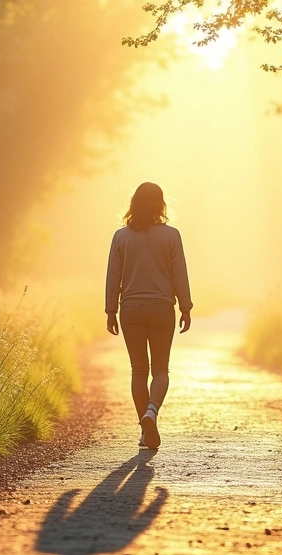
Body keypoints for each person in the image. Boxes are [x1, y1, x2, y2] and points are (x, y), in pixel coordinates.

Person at [104, 182, 193, 450]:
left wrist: (111, 310)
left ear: (134, 203)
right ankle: (151, 412)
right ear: (160, 204)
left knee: (138, 371)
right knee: (161, 370)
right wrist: (186, 307)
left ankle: (144, 432)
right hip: (162, 308)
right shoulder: (171, 235)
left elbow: (113, 277)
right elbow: (180, 274)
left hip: (130, 310)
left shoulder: (120, 237)